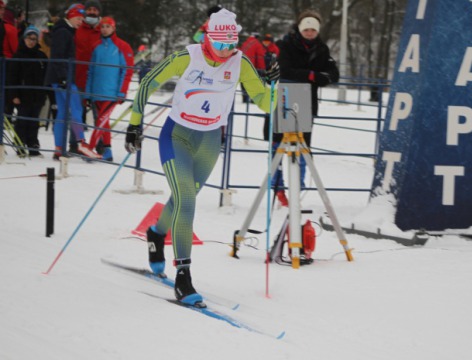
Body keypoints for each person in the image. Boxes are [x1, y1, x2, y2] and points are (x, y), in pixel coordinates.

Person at [124, 8, 279, 306]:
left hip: (210, 140)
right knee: (188, 201)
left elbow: (264, 103)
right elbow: (148, 83)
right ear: (208, 38)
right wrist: (134, 123)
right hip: (177, 136)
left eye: (230, 44)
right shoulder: (188, 56)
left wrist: (273, 86)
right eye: (220, 44)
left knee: (185, 196)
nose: (225, 51)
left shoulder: (239, 62)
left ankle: (156, 234)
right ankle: (184, 277)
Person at [266, 9, 339, 206]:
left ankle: (299, 186)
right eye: (306, 29)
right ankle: (276, 187)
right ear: (300, 28)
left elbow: (333, 74)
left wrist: (320, 77)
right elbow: (284, 69)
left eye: (313, 30)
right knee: (278, 145)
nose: (309, 33)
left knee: (304, 146)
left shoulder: (321, 49)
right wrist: (312, 75)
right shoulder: (285, 45)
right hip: (285, 99)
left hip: (308, 102)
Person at [44, 3, 101, 160]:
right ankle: (81, 143)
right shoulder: (64, 32)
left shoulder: (65, 30)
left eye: (82, 19)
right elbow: (57, 56)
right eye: (78, 18)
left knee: (62, 113)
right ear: (70, 16)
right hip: (63, 78)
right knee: (76, 109)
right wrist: (63, 78)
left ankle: (59, 148)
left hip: (59, 78)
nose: (80, 21)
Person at [85, 16, 134, 161]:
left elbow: (127, 71)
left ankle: (89, 149)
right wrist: (87, 93)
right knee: (102, 122)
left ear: (114, 28)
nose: (105, 29)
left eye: (108, 26)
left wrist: (122, 91)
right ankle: (108, 151)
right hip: (96, 92)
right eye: (102, 26)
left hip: (112, 93)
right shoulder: (96, 46)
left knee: (100, 121)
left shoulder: (123, 46)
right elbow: (91, 70)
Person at [7, 25, 47, 157]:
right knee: (22, 121)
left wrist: (44, 93)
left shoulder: (41, 57)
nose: (31, 41)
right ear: (24, 39)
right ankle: (19, 144)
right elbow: (12, 77)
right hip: (22, 95)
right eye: (29, 38)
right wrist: (14, 95)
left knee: (34, 121)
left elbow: (46, 76)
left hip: (37, 95)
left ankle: (33, 145)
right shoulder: (17, 56)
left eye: (34, 39)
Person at [74, 0, 101, 94]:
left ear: (99, 12)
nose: (92, 12)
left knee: (98, 108)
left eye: (95, 10)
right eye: (89, 9)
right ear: (85, 11)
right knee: (79, 107)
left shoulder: (105, 29)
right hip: (80, 78)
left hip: (99, 79)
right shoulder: (77, 29)